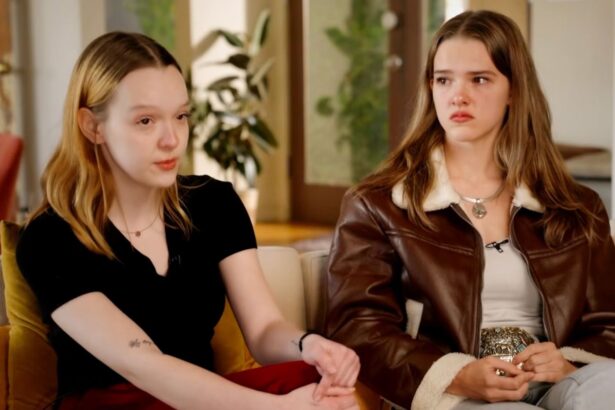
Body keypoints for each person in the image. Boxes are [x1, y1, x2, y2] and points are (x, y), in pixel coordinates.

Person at [16, 31, 360, 410]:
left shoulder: (213, 203)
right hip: (115, 403)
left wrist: (309, 345)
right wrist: (279, 408)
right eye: (145, 121)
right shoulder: (50, 237)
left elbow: (264, 331)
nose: (172, 139)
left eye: (181, 116)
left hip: (210, 400)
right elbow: (145, 365)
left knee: (317, 380)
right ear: (92, 126)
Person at [325, 10, 615, 410]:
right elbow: (358, 327)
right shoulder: (377, 204)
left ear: (514, 91)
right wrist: (456, 375)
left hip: (559, 382)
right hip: (452, 392)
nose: (457, 96)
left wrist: (567, 363)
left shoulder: (576, 206)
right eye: (444, 79)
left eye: (479, 79)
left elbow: (608, 324)